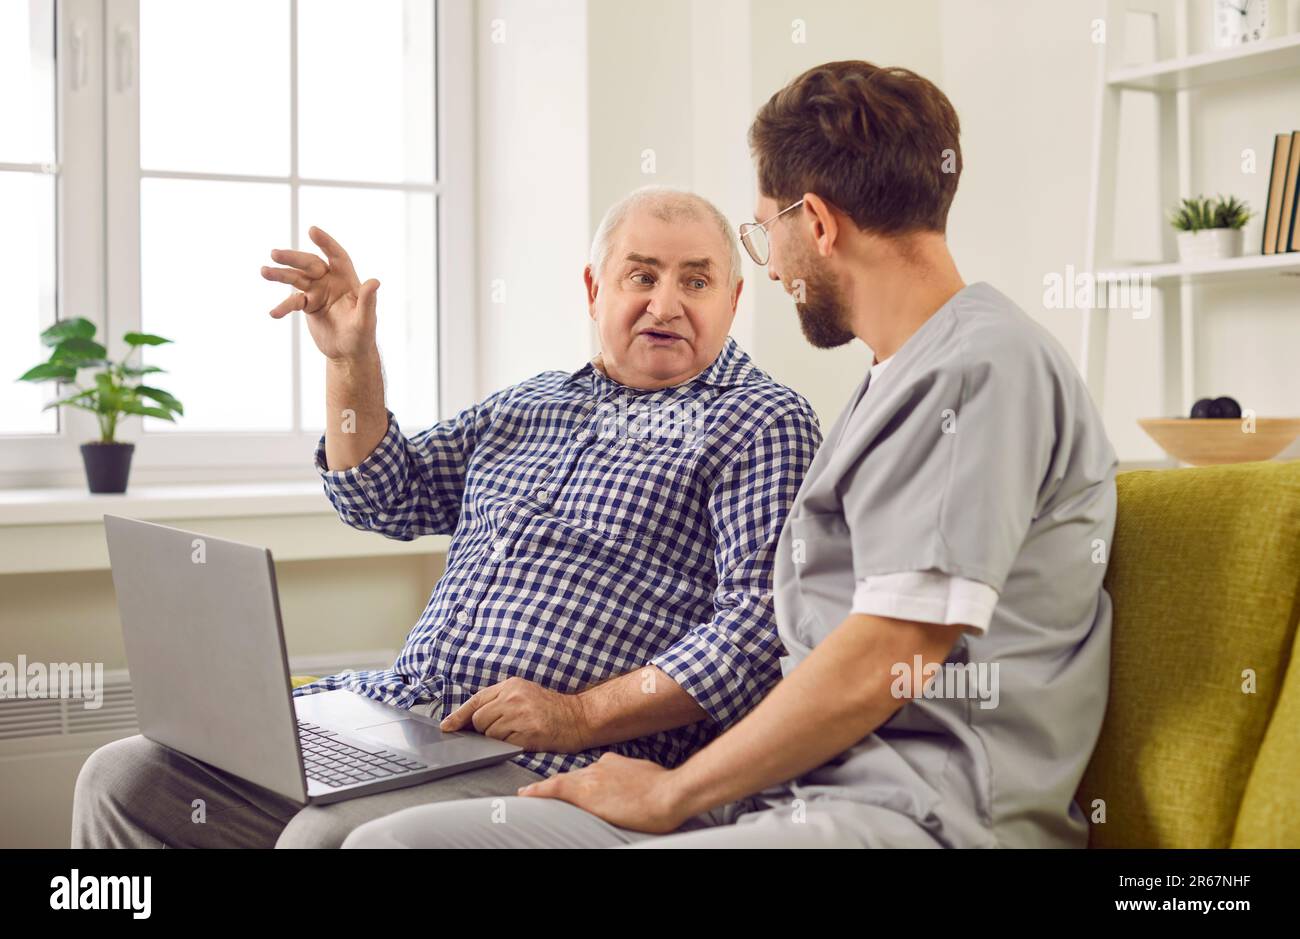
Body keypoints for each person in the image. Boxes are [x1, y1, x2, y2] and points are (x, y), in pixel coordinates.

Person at [341, 60, 1118, 850]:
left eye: (760, 235)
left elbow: (893, 649)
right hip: (786, 799)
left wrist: (676, 788)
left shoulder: (979, 369)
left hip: (914, 817)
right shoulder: (896, 381)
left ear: (814, 222)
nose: (772, 265)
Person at [70, 186, 821, 848]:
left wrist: (575, 714)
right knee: (127, 776)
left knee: (323, 835)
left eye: (696, 280)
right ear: (594, 288)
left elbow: (756, 630)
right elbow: (383, 492)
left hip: (550, 761)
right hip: (403, 716)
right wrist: (349, 360)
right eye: (642, 275)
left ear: (732, 299)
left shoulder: (759, 420)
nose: (666, 303)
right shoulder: (532, 403)